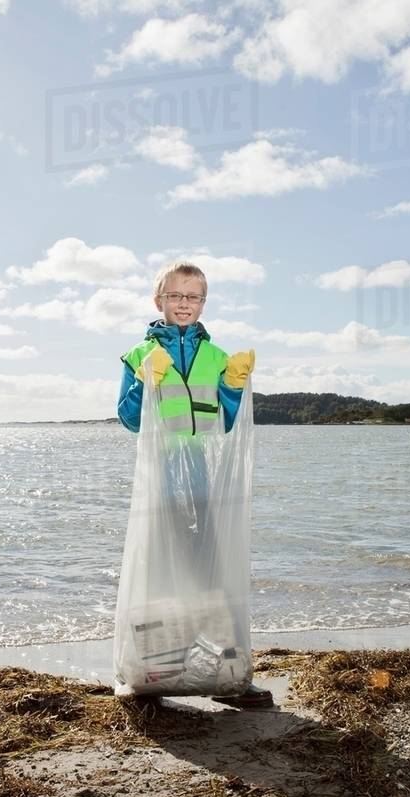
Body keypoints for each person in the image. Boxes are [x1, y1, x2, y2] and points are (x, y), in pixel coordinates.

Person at [116, 261, 273, 709]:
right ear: (158, 300)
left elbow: (225, 422)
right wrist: (144, 382)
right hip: (160, 480)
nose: (184, 304)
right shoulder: (137, 355)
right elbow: (129, 420)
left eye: (194, 297)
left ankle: (227, 670)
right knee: (159, 572)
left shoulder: (216, 356)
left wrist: (233, 385)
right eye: (175, 296)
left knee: (214, 571)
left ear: (204, 302)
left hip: (206, 480)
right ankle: (151, 671)